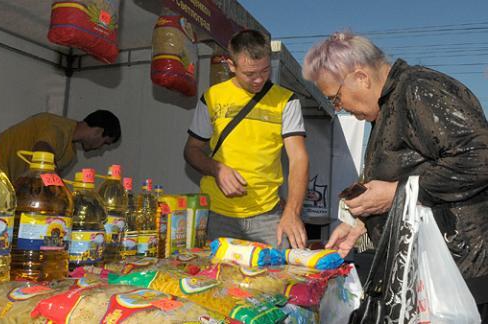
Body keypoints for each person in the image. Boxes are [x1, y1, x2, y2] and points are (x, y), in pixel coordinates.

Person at [302, 31, 488, 320]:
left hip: (461, 272)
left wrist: (395, 193)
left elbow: (479, 157)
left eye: (336, 99)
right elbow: (410, 171)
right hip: (434, 269)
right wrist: (361, 224)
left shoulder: (419, 89)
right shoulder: (389, 104)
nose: (341, 109)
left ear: (361, 77)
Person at [184, 29, 309, 249]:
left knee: (277, 280)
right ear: (231, 66)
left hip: (269, 217)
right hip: (218, 215)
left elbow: (299, 159)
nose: (259, 79)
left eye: (265, 70)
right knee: (219, 279)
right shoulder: (212, 97)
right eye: (250, 73)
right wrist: (216, 169)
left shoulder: (287, 101)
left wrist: (292, 212)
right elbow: (191, 150)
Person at [0, 110, 121, 182]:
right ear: (98, 131)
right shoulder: (59, 127)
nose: (101, 149)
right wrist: (59, 190)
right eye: (105, 142)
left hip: (6, 183)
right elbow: (42, 152)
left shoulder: (70, 154)